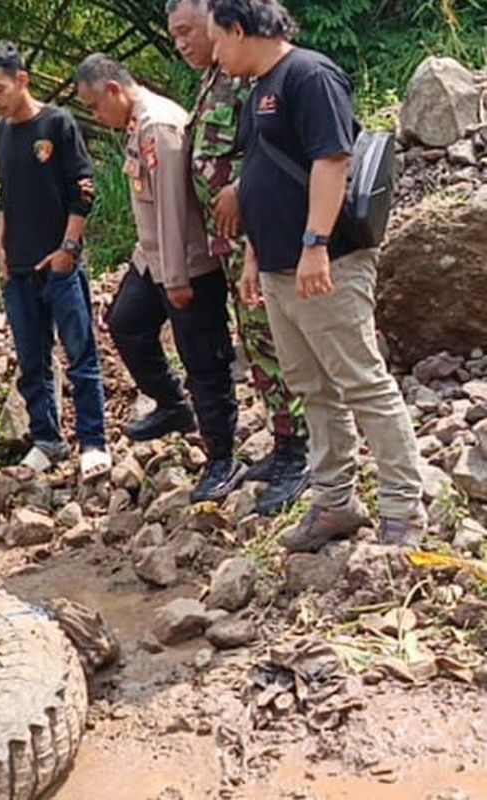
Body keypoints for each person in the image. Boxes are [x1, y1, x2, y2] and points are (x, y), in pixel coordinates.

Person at [207, 0, 427, 548]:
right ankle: (334, 501)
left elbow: (333, 160)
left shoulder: (309, 75)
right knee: (312, 388)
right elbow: (261, 176)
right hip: (280, 265)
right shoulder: (258, 90)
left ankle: (404, 510)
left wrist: (315, 244)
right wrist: (255, 257)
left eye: (217, 39)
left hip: (326, 262)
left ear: (239, 29)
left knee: (362, 382)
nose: (214, 53)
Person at [74, 54, 244, 503]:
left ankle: (223, 456)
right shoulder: (137, 123)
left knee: (203, 361)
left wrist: (176, 278)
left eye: (94, 106)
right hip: (152, 260)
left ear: (114, 89)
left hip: (185, 264)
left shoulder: (158, 126)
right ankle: (172, 404)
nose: (96, 116)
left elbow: (172, 207)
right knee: (125, 323)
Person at [167, 0, 310, 516]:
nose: (183, 43)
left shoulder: (253, 75)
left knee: (275, 337)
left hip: (261, 233)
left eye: (189, 31)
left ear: (221, 26)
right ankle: (284, 439)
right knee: (256, 339)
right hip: (228, 243)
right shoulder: (212, 80)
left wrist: (241, 189)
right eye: (175, 36)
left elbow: (273, 144)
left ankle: (303, 448)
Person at [0, 42, 112, 480]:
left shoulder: (58, 123)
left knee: (80, 354)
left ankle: (93, 441)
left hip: (60, 264)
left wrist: (68, 249)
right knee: (32, 362)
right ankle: (47, 439)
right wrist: (0, 241)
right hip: (18, 267)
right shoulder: (0, 133)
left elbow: (83, 189)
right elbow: (5, 193)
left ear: (22, 80)